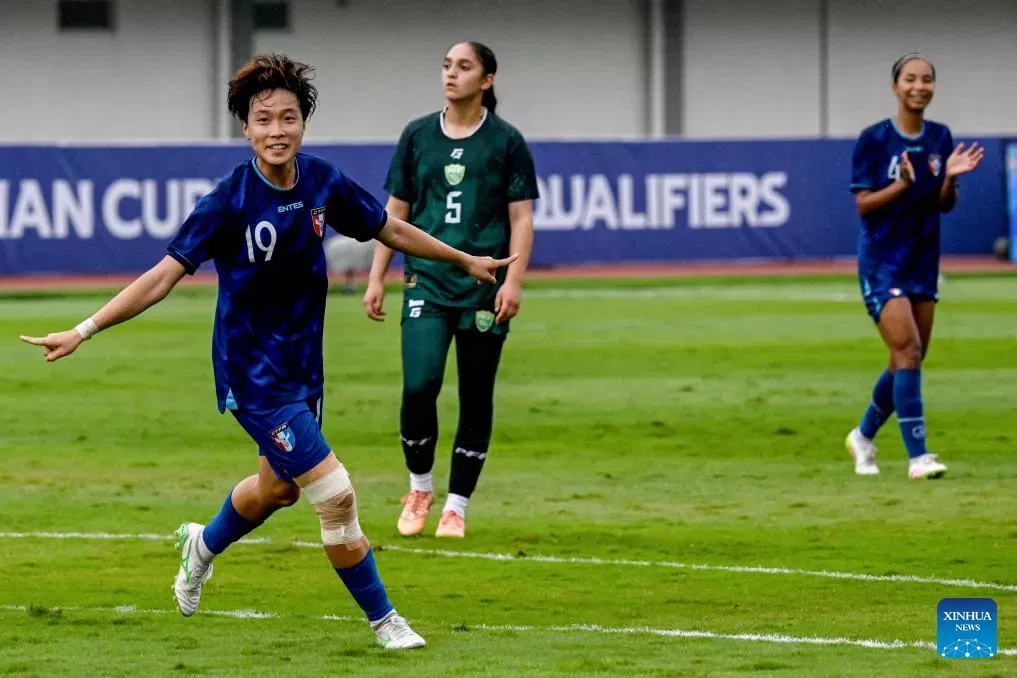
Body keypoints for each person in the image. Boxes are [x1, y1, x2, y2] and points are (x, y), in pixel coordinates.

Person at [19, 53, 518, 649]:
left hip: (304, 368)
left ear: (303, 124)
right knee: (335, 494)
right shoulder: (227, 200)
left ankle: (200, 544)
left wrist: (463, 258)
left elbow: (389, 228)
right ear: (246, 130)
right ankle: (387, 622)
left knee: (279, 490)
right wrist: (85, 328)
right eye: (263, 120)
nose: (276, 130)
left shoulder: (322, 180)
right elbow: (162, 275)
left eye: (287, 118)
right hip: (252, 375)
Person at [363, 41, 538, 539]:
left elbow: (521, 217)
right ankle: (419, 487)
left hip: (486, 286)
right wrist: (378, 274)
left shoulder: (506, 141)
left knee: (476, 395)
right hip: (427, 282)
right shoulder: (417, 135)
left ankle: (457, 504)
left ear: (487, 80)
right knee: (420, 386)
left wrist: (516, 281)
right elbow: (393, 213)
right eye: (446, 66)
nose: (451, 74)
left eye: (463, 67)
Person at [845, 53, 984, 478]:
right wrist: (901, 185)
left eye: (927, 79)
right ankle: (918, 456)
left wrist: (951, 179)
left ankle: (863, 437)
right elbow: (864, 205)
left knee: (908, 357)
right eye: (910, 79)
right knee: (907, 350)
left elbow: (944, 204)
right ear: (896, 87)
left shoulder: (941, 137)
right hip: (883, 261)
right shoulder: (874, 139)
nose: (919, 86)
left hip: (923, 260)